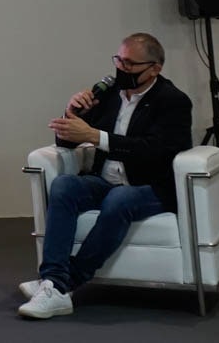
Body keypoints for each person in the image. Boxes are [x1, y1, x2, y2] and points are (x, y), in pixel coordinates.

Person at [18, 32, 193, 320]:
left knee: (120, 199)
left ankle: (60, 284)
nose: (121, 68)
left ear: (154, 69)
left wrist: (96, 136)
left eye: (130, 64)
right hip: (105, 181)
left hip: (152, 187)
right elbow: (67, 142)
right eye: (119, 61)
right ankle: (54, 280)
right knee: (64, 186)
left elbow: (155, 150)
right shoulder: (109, 94)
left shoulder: (173, 101)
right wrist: (72, 114)